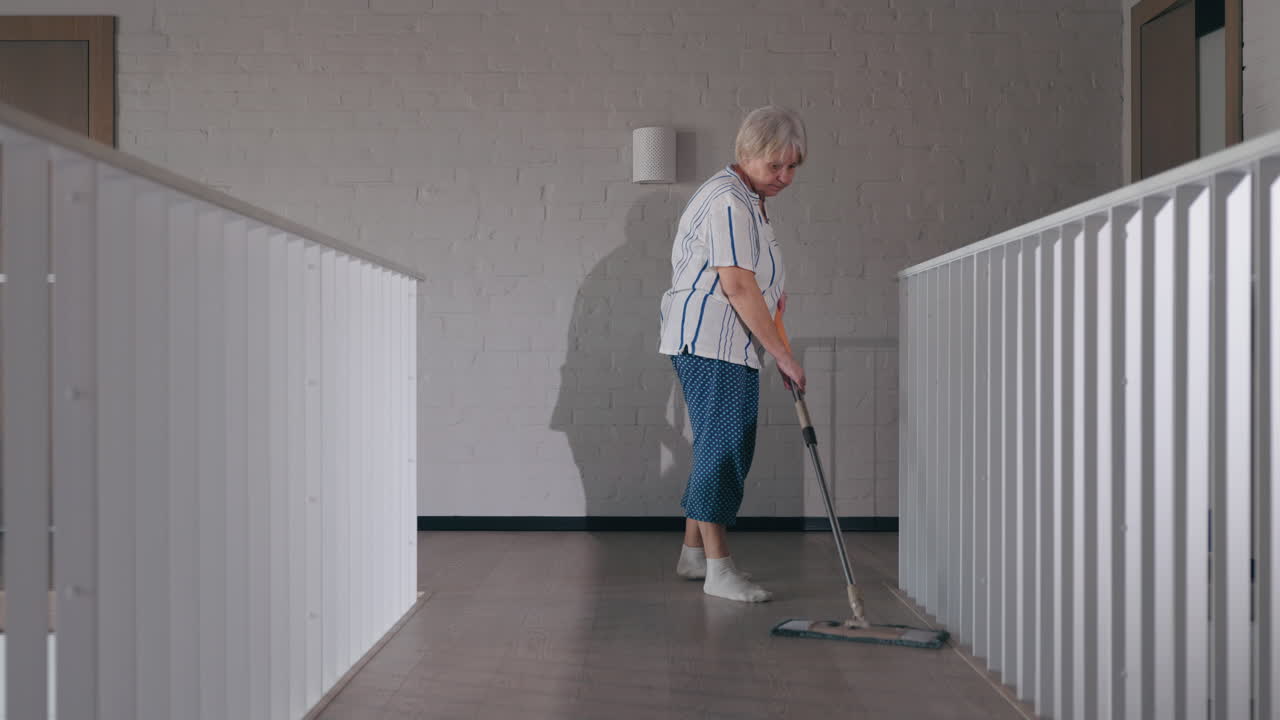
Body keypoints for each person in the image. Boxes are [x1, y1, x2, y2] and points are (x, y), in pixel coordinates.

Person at [657, 106, 807, 603]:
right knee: (723, 449)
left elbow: (760, 287)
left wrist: (776, 321)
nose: (785, 177)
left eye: (792, 167)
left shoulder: (748, 198)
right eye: (776, 167)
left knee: (717, 445)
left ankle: (693, 554)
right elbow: (738, 286)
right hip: (711, 339)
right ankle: (719, 570)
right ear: (747, 155)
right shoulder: (728, 201)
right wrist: (783, 354)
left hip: (728, 341)